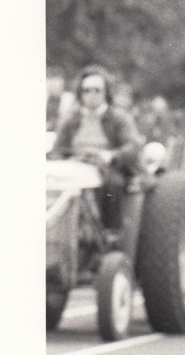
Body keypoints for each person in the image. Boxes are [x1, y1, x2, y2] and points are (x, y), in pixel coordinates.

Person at [48, 65, 144, 233]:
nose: (91, 95)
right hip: (75, 167)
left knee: (112, 184)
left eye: (97, 90)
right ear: (80, 93)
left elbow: (133, 145)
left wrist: (111, 155)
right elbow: (58, 148)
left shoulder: (118, 118)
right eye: (86, 91)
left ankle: (111, 232)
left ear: (106, 92)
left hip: (107, 167)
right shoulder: (71, 120)